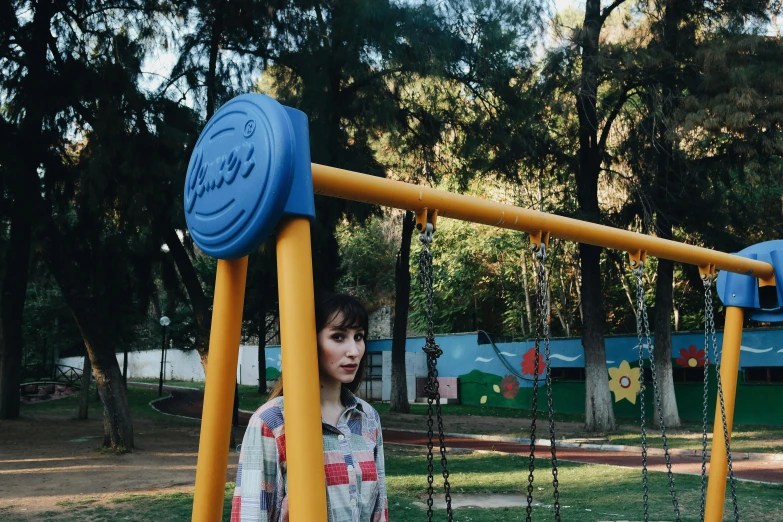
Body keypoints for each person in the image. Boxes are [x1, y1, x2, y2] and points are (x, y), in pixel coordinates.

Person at [231, 294, 388, 522]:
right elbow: (250, 514)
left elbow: (379, 510)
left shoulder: (367, 417)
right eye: (338, 337)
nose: (354, 350)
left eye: (359, 337)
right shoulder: (272, 421)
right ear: (310, 341)